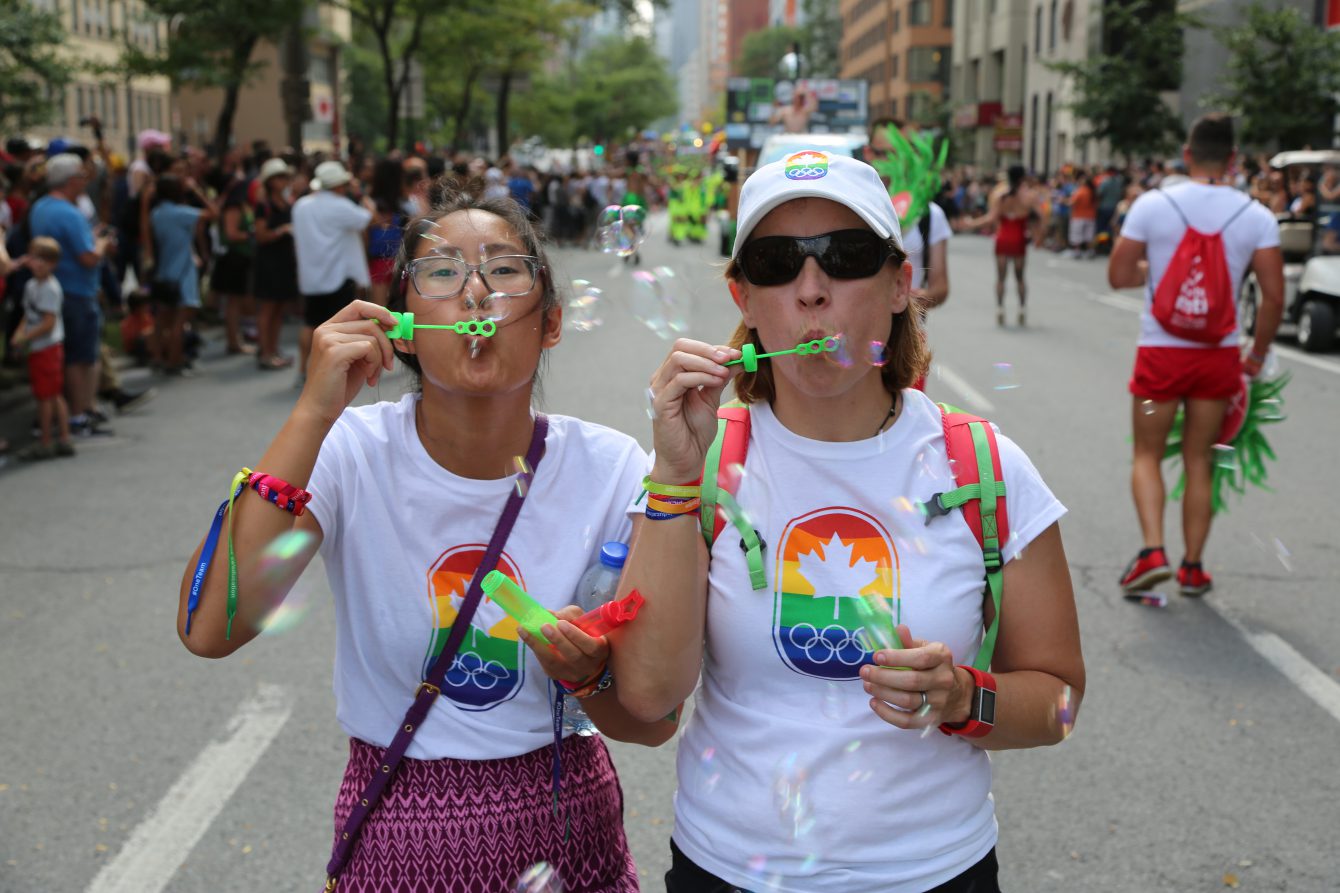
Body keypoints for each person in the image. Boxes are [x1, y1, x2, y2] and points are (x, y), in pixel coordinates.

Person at [613, 152, 1085, 893]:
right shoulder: (701, 463)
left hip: (935, 872)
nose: (810, 290)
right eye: (775, 263)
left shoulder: (984, 466)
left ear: (901, 285)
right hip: (729, 869)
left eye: (846, 256)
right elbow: (646, 695)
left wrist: (964, 696)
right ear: (744, 296)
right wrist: (672, 477)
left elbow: (1059, 701)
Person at [177, 186, 671, 890]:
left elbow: (654, 721)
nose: (475, 293)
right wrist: (314, 411)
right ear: (405, 322)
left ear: (551, 322)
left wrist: (588, 673)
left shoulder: (614, 468)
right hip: (396, 844)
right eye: (442, 272)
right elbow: (211, 625)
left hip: (570, 841)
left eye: (504, 270)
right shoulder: (348, 451)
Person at [1108, 113, 1284, 597]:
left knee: (1146, 452)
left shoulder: (1153, 204)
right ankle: (1192, 568)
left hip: (1161, 353)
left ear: (1187, 154)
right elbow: (1273, 297)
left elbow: (1118, 276)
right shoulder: (1257, 216)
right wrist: (1257, 356)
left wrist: (1155, 270)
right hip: (1218, 357)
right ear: (1233, 159)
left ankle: (1152, 551)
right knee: (1200, 460)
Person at [29, 153, 116, 436]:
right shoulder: (69, 212)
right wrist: (102, 243)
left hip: (56, 290)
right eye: (81, 175)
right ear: (70, 181)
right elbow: (89, 257)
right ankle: (80, 414)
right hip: (78, 291)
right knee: (83, 357)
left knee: (69, 355)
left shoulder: (41, 207)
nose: (84, 179)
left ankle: (77, 411)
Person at [292, 160, 373, 385]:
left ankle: (302, 370)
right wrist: (360, 194)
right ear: (339, 185)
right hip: (338, 274)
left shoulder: (301, 205)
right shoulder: (340, 205)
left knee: (310, 323)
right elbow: (369, 217)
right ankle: (337, 370)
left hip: (311, 276)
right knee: (341, 326)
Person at [10, 237, 75, 459]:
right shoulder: (31, 286)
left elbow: (48, 323)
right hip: (38, 347)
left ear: (53, 264)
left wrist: (25, 338)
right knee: (51, 394)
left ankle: (46, 441)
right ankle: (64, 438)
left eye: (44, 260)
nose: (38, 264)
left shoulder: (50, 288)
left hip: (47, 348)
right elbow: (29, 315)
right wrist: (19, 334)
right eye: (35, 258)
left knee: (46, 397)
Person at [959, 165, 1046, 327]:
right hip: (1019, 238)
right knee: (1020, 277)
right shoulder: (1030, 197)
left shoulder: (1001, 196)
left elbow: (990, 219)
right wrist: (1039, 236)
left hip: (1003, 237)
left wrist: (971, 224)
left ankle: (1000, 308)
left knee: (1001, 277)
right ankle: (1022, 308)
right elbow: (1041, 217)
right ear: (1023, 178)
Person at [150, 174, 218, 376]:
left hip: (164, 271)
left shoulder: (156, 213)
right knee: (180, 322)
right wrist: (195, 190)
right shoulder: (180, 212)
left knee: (163, 321)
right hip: (183, 272)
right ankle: (174, 361)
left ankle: (158, 357)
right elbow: (213, 213)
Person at [252, 158, 299, 369]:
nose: (284, 181)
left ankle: (273, 348)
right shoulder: (264, 205)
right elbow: (260, 235)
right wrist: (281, 231)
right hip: (269, 261)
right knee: (268, 308)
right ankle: (265, 351)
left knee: (279, 308)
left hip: (284, 260)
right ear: (270, 181)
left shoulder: (287, 203)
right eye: (280, 177)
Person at [214, 174, 258, 356]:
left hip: (241, 258)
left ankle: (236, 340)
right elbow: (232, 233)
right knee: (233, 303)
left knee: (237, 302)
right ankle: (233, 342)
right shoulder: (233, 208)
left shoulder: (242, 206)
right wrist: (251, 235)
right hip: (234, 258)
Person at [1067, 172, 1097, 257]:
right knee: (1089, 235)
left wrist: (1064, 201)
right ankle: (1090, 251)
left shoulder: (1080, 191)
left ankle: (1077, 251)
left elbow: (1072, 202)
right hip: (1091, 216)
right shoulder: (1093, 192)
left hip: (1078, 216)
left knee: (1077, 235)